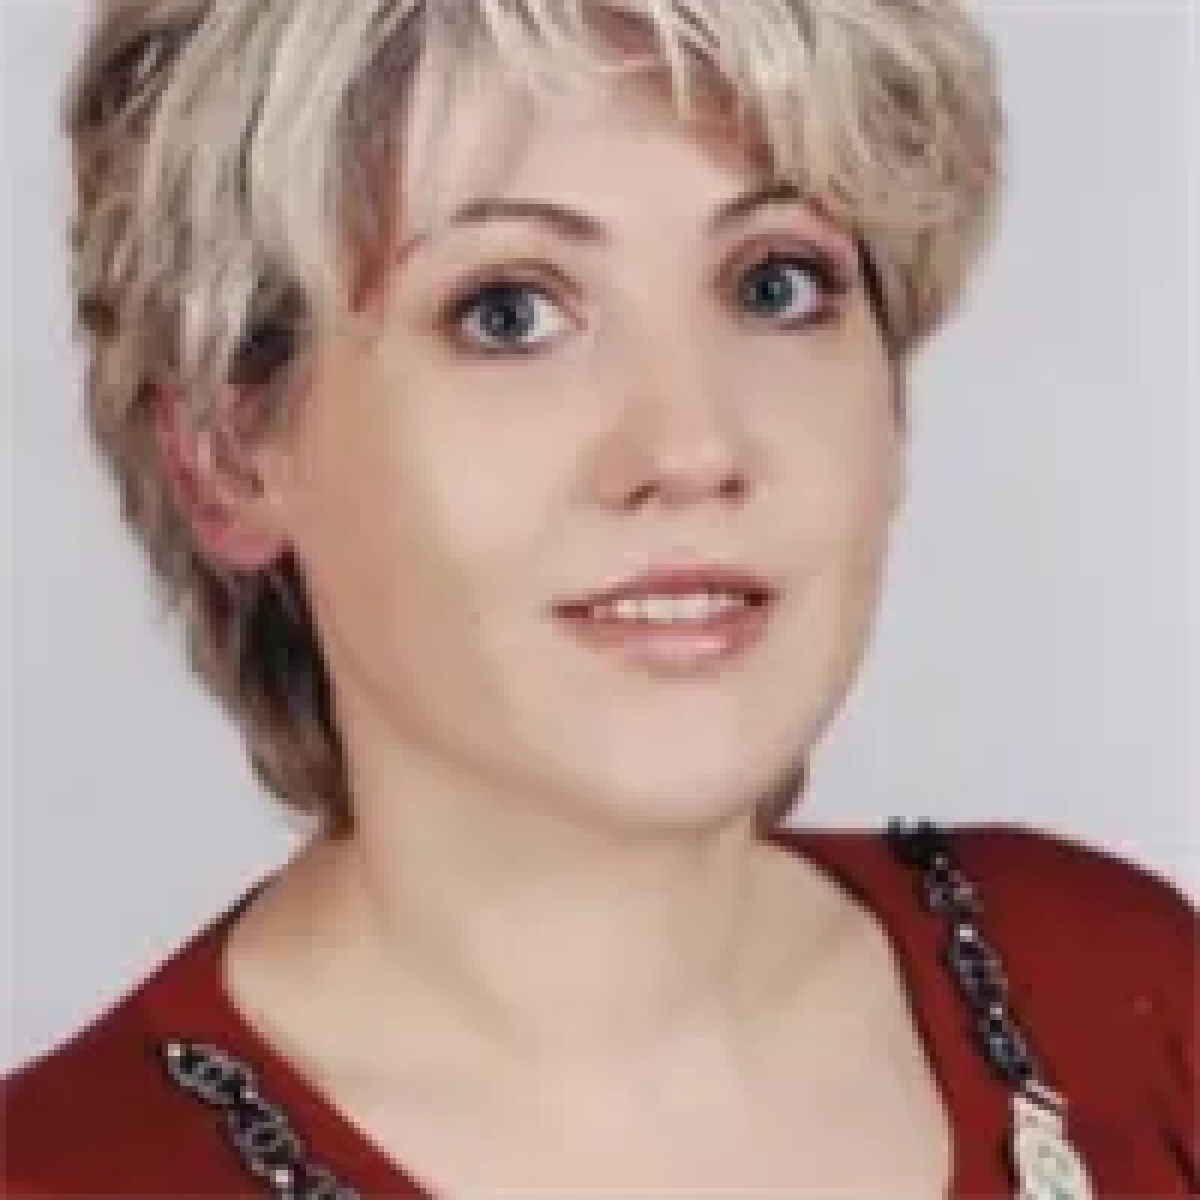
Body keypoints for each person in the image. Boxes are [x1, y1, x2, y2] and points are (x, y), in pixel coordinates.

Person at [3, 0, 1194, 1196]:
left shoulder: (1123, 997)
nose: (692, 446)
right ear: (227, 455)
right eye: (509, 314)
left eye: (774, 285)